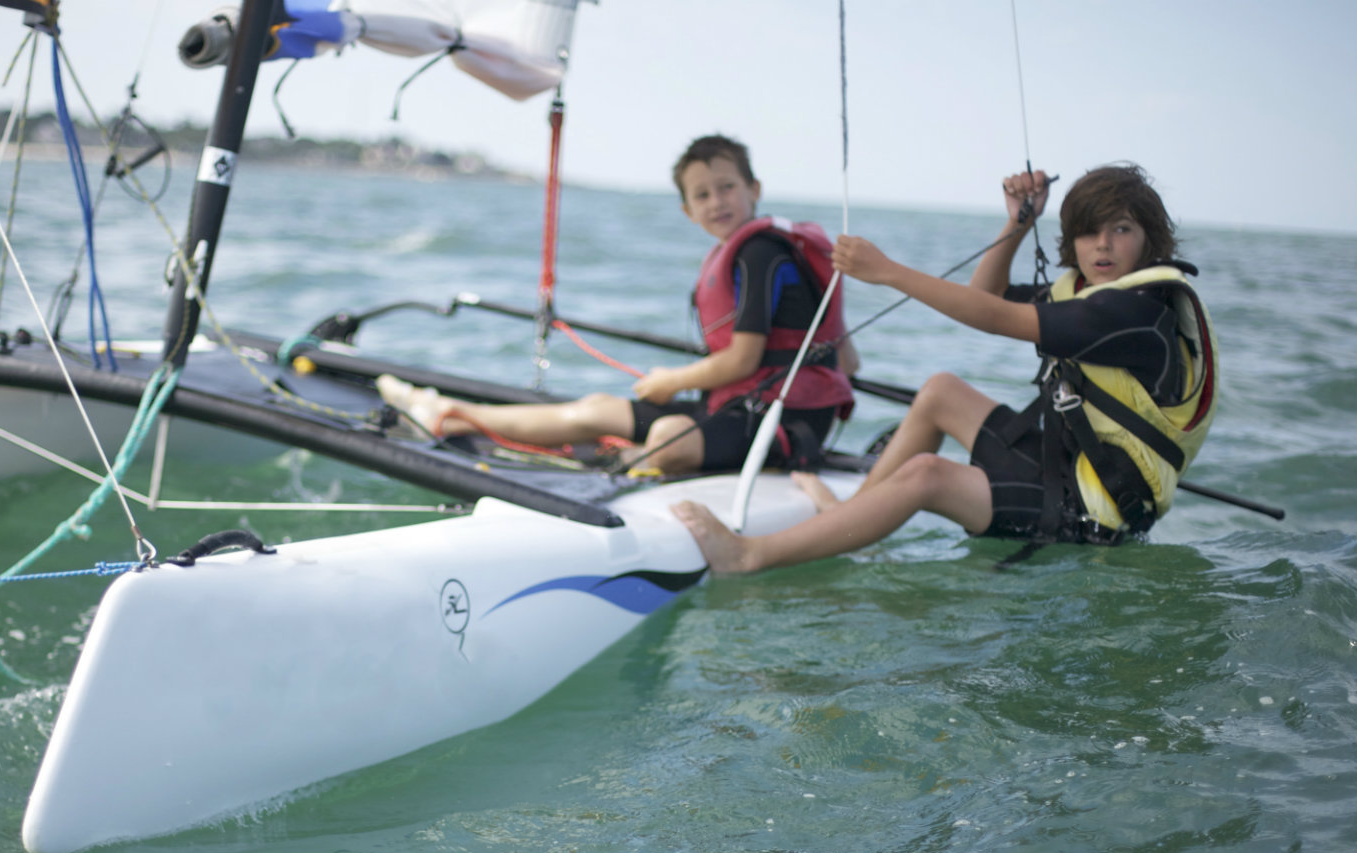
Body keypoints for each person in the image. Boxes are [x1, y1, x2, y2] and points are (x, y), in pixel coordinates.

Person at [674, 163, 1219, 572]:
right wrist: (1017, 224)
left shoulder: (1134, 312)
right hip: (1064, 464)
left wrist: (887, 271)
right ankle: (849, 515)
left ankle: (749, 556)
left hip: (1093, 511)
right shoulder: (1088, 293)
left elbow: (988, 315)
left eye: (1121, 230)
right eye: (1088, 232)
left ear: (1150, 237)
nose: (1102, 245)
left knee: (926, 477)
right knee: (939, 391)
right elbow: (988, 291)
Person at [378, 135, 861, 475]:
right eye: (702, 194)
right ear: (687, 212)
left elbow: (743, 359)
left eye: (727, 187)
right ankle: (445, 412)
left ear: (754, 190)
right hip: (739, 407)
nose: (717, 201)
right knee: (597, 407)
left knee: (668, 434)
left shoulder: (762, 252)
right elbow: (848, 361)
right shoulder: (758, 250)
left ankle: (628, 461)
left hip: (783, 424)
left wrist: (672, 381)